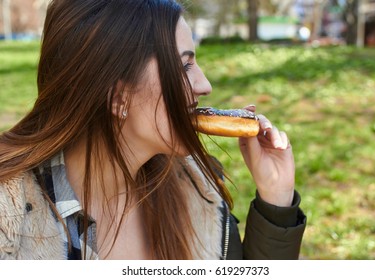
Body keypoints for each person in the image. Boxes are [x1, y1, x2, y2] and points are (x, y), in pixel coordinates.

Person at [0, 0, 306, 260]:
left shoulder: (199, 195)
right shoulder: (10, 221)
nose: (205, 85)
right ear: (117, 97)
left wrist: (276, 197)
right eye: (184, 67)